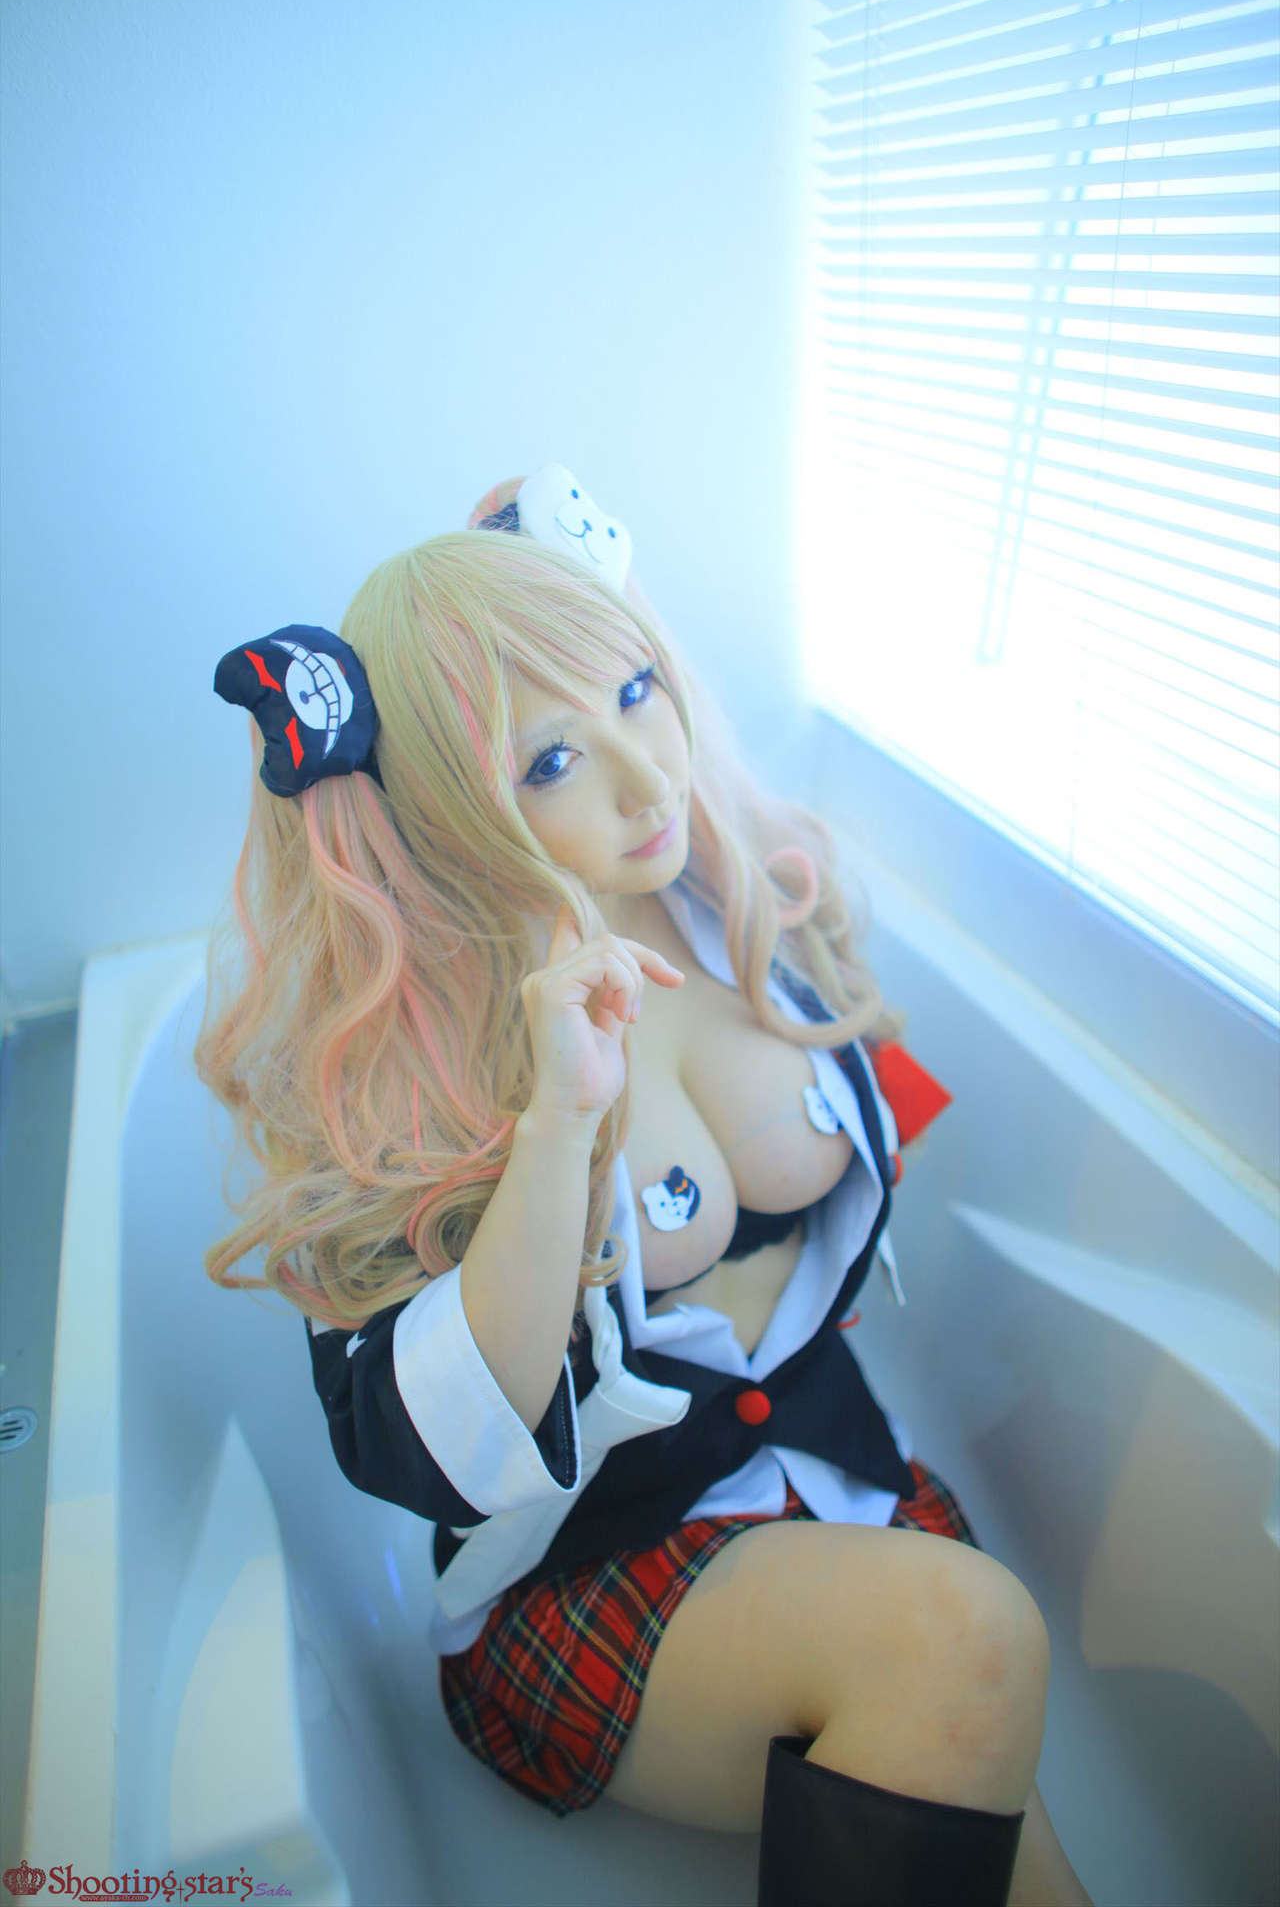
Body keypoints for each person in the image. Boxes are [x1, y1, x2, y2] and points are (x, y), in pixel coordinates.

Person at [196, 465, 1094, 1906]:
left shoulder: (739, 899)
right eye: (550, 762)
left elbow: (877, 1128)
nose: (646, 777)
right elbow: (427, 1456)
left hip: (838, 1487)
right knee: (965, 1643)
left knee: (988, 1732)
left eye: (636, 692)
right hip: (592, 1570)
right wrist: (558, 1124)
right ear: (448, 811)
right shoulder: (420, 1071)